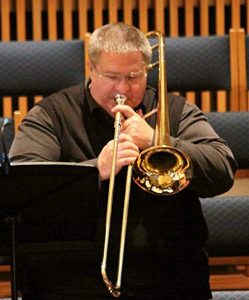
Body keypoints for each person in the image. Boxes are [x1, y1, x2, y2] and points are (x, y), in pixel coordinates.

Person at [9, 22, 237, 300]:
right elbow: (22, 188)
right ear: (91, 69)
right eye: (111, 76)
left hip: (170, 278)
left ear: (147, 71)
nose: (123, 89)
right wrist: (96, 170)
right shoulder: (51, 115)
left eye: (133, 76)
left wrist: (158, 141)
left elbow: (222, 169)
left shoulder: (175, 112)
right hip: (72, 281)